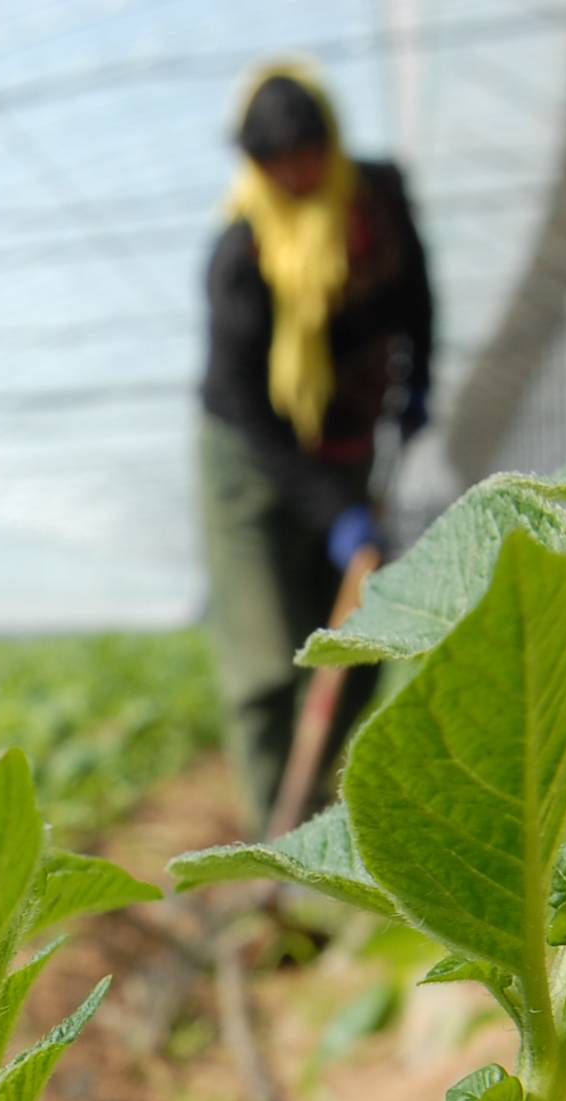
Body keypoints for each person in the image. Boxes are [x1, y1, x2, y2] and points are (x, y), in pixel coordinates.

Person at [198, 63, 435, 830]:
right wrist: (335, 511)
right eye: (277, 160)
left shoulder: (378, 201)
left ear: (329, 145)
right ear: (256, 165)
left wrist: (417, 383)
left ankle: (330, 823)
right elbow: (248, 408)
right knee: (268, 661)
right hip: (253, 463)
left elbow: (417, 297)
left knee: (356, 645)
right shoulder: (241, 258)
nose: (297, 173)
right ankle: (280, 849)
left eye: (308, 152)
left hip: (350, 443)